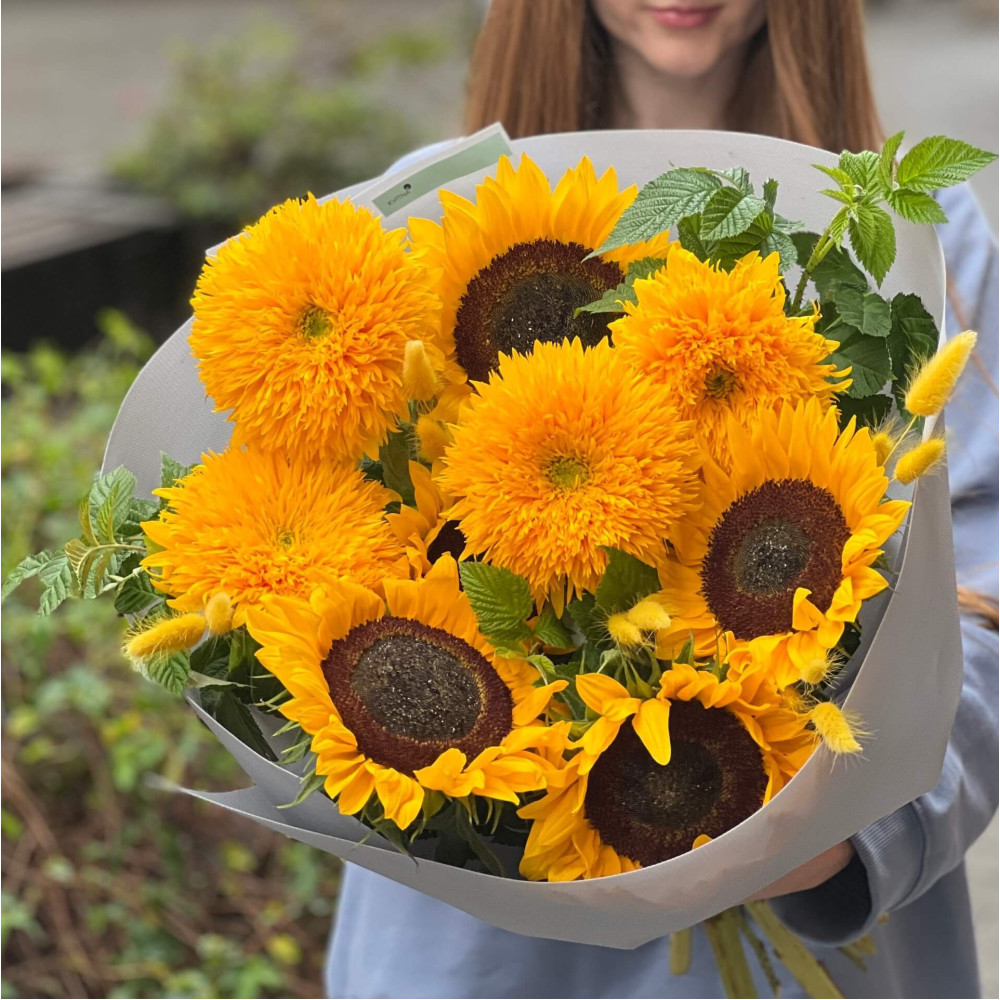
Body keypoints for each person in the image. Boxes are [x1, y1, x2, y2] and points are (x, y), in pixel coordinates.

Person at [325, 2, 999, 996]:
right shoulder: (422, 218)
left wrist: (852, 832)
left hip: (814, 910)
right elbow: (334, 540)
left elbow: (981, 584)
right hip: (488, 953)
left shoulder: (906, 229)